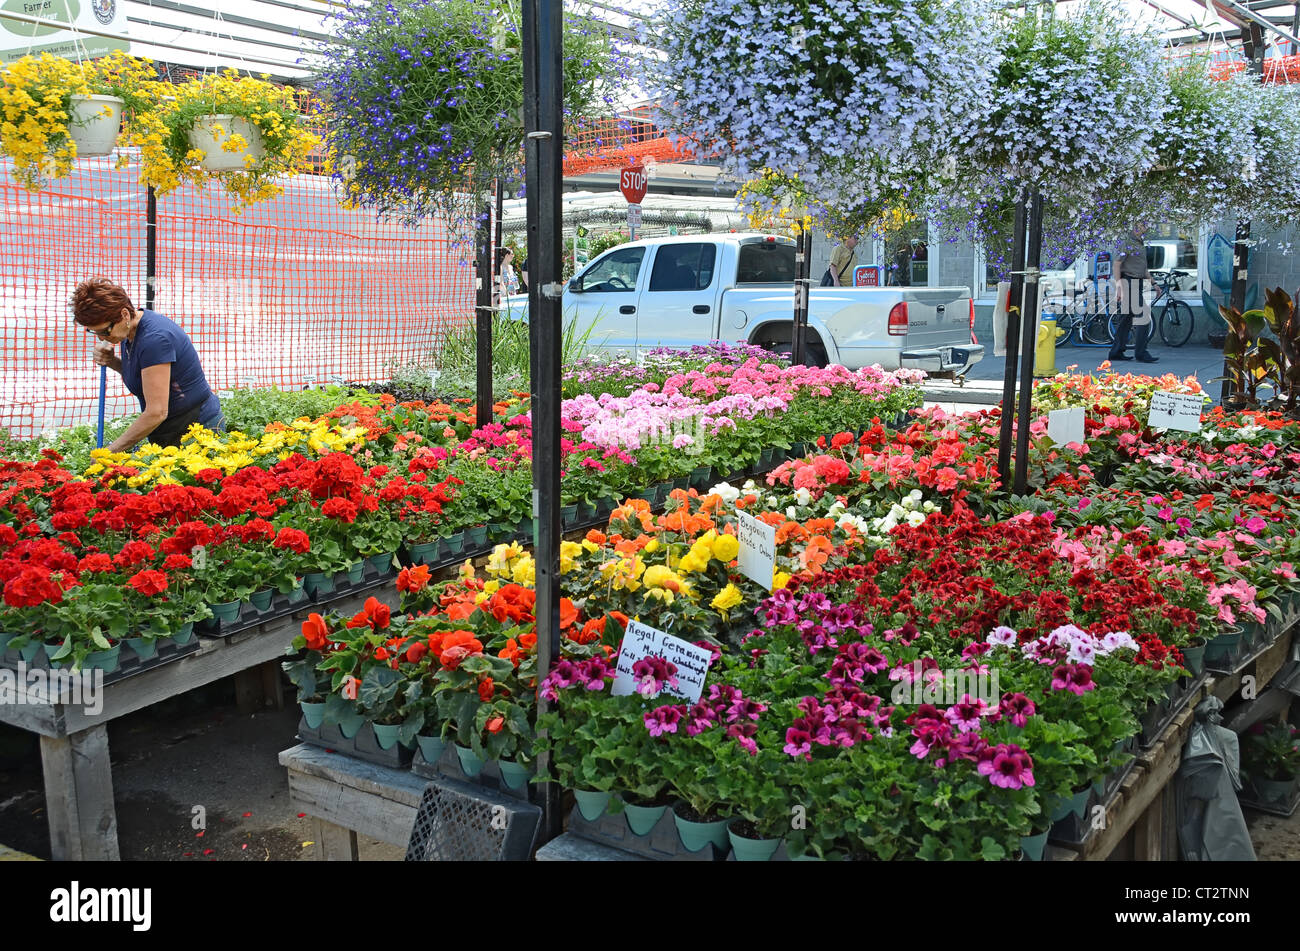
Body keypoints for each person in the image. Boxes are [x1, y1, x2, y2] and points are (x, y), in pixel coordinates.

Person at [72, 277, 225, 452]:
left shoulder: (154, 340)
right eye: (94, 332)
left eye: (104, 331)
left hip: (195, 430)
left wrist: (109, 452)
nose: (101, 338)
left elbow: (156, 412)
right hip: (170, 427)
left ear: (124, 315)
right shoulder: (129, 331)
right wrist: (112, 362)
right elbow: (145, 376)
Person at [1110, 225, 1159, 364]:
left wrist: (1154, 283)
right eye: (1144, 224)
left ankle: (1116, 351)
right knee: (1143, 316)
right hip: (1129, 283)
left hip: (1135, 282)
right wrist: (1119, 287)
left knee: (1125, 319)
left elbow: (1142, 268)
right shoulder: (1128, 243)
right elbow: (1117, 264)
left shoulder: (1139, 242)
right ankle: (1141, 352)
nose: (1146, 227)